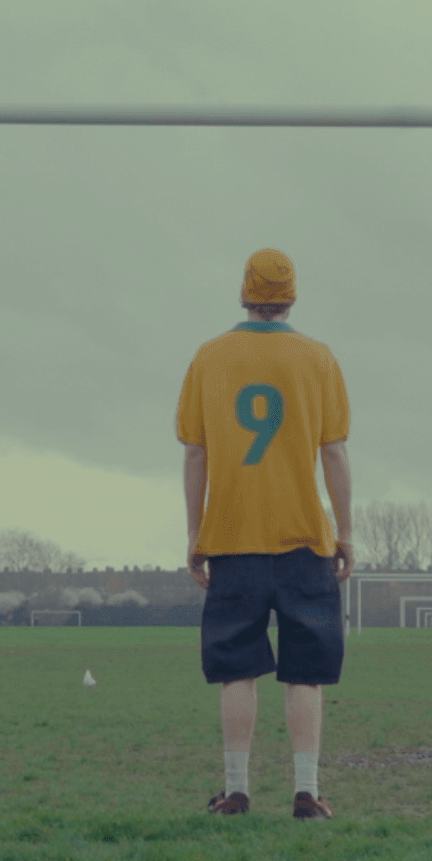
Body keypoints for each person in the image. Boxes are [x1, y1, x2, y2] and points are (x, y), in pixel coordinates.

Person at [177, 249, 353, 819]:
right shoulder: (319, 358)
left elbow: (196, 455)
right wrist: (345, 532)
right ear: (292, 296)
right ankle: (307, 792)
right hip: (305, 540)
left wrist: (195, 534)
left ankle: (237, 792)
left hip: (231, 539)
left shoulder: (209, 357)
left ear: (244, 293)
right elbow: (334, 453)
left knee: (237, 670)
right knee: (306, 672)